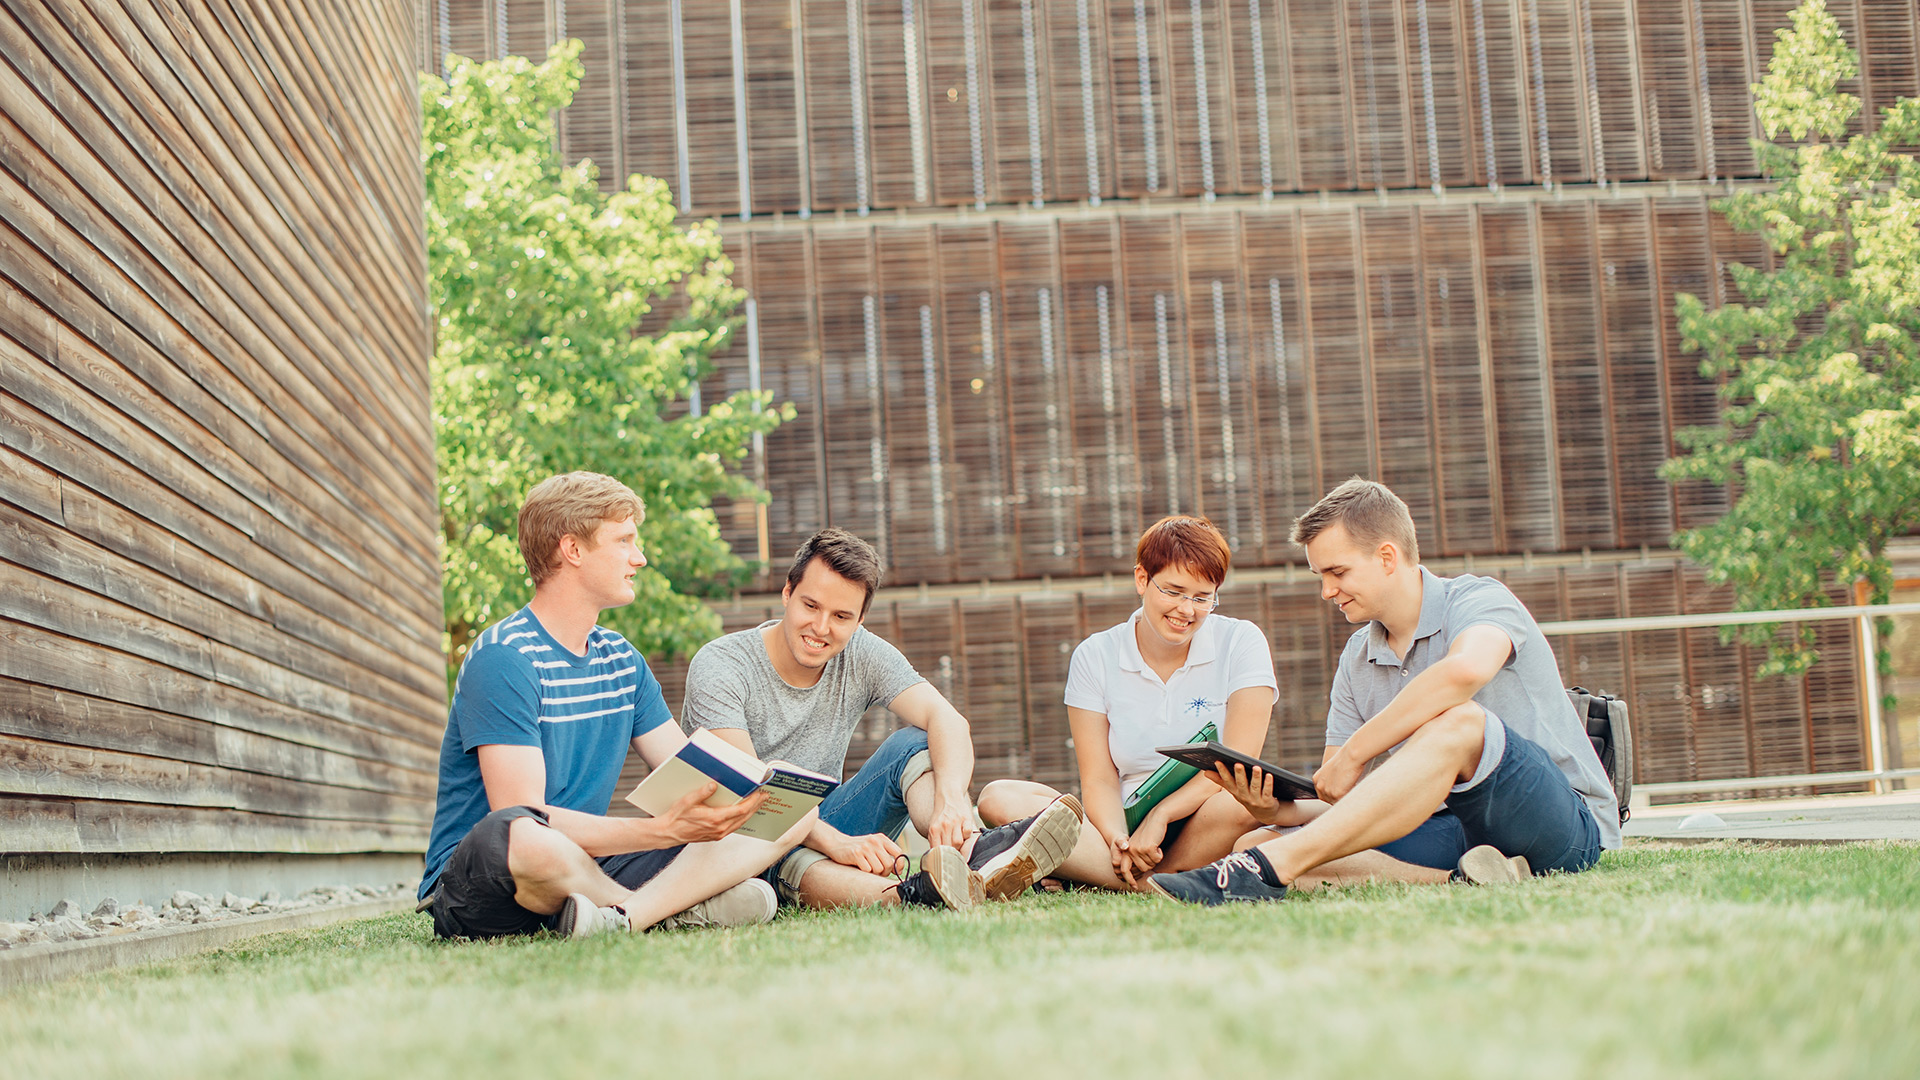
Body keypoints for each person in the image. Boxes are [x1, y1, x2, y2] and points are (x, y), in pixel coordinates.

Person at [1149, 478, 1621, 905]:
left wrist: (1356, 753)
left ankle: (1267, 873)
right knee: (1256, 842)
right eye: (1320, 577)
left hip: (1559, 822)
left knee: (1459, 722)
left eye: (1337, 572)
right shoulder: (1358, 657)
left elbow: (1466, 671)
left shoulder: (1479, 599)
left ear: (1387, 557)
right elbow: (1340, 795)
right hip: (1446, 827)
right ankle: (1470, 880)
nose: (1327, 592)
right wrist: (1276, 808)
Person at [417, 472, 812, 939]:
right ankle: (656, 907)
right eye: (624, 540)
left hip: (589, 864)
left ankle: (618, 919)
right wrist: (665, 832)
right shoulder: (505, 658)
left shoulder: (621, 659)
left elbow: (698, 775)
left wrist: (768, 804)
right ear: (574, 550)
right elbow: (523, 813)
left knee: (790, 803)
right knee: (527, 836)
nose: (639, 558)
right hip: (494, 879)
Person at [681, 528, 1083, 910]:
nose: (821, 628)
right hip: (743, 836)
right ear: (787, 593)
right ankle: (915, 894)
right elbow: (750, 789)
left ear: (859, 621)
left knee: (913, 742)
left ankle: (975, 853)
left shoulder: (861, 652)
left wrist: (952, 803)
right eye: (810, 606)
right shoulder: (722, 665)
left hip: (825, 821)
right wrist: (837, 843)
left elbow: (947, 718)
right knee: (791, 855)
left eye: (841, 616)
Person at [976, 516, 1294, 891]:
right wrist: (1117, 840)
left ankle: (1104, 876)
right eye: (1173, 591)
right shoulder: (1095, 655)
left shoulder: (1242, 641)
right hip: (1124, 819)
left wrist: (1163, 814)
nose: (1186, 610)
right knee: (998, 797)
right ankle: (1139, 876)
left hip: (1206, 815)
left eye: (1201, 597)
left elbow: (1238, 766)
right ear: (1142, 579)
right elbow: (1098, 780)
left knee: (1244, 800)